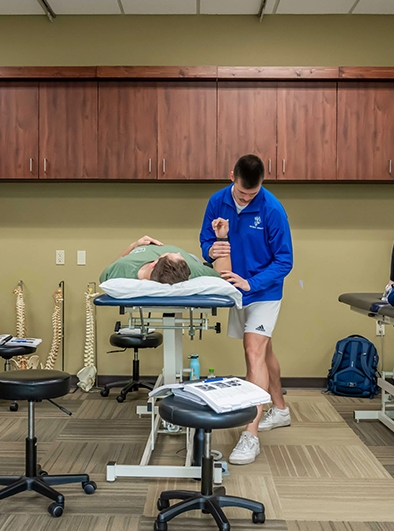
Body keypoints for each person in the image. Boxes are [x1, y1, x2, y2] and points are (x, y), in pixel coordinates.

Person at [199, 154, 293, 466]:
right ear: (232, 178)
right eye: (242, 193)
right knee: (263, 353)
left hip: (263, 291)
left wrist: (252, 283)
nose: (246, 198)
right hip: (234, 290)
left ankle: (250, 435)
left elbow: (284, 261)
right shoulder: (217, 201)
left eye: (252, 194)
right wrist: (211, 248)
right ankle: (279, 409)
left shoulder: (272, 209)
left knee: (253, 350)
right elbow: (205, 242)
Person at [99, 235, 220, 284]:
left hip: (192, 260)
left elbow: (108, 274)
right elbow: (220, 276)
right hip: (191, 259)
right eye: (177, 254)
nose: (178, 252)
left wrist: (133, 246)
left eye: (174, 254)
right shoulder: (191, 269)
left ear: (154, 263)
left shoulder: (122, 267)